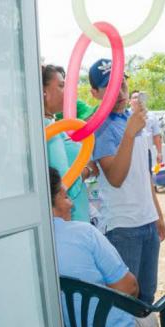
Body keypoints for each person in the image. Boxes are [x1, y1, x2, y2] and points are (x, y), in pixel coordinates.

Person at [49, 167, 157, 327]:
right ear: (49, 201)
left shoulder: (22, 244)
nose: (71, 202)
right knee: (144, 319)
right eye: (64, 195)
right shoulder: (83, 234)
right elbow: (129, 287)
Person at [89, 58, 165, 304]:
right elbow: (115, 177)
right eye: (109, 88)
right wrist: (130, 134)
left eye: (122, 86)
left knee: (147, 294)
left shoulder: (130, 120)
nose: (119, 94)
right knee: (127, 300)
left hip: (146, 220)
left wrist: (158, 214)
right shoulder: (99, 126)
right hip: (123, 226)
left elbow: (144, 174)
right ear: (94, 93)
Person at [42, 64, 91, 223]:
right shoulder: (49, 128)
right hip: (71, 221)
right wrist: (88, 171)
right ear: (43, 92)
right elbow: (65, 183)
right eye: (61, 86)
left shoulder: (52, 124)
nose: (67, 92)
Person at [130, 90, 163, 170]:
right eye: (134, 97)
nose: (137, 99)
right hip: (131, 153)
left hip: (146, 151)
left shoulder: (151, 115)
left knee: (148, 175)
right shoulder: (126, 115)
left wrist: (159, 152)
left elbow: (156, 135)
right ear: (129, 101)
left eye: (139, 97)